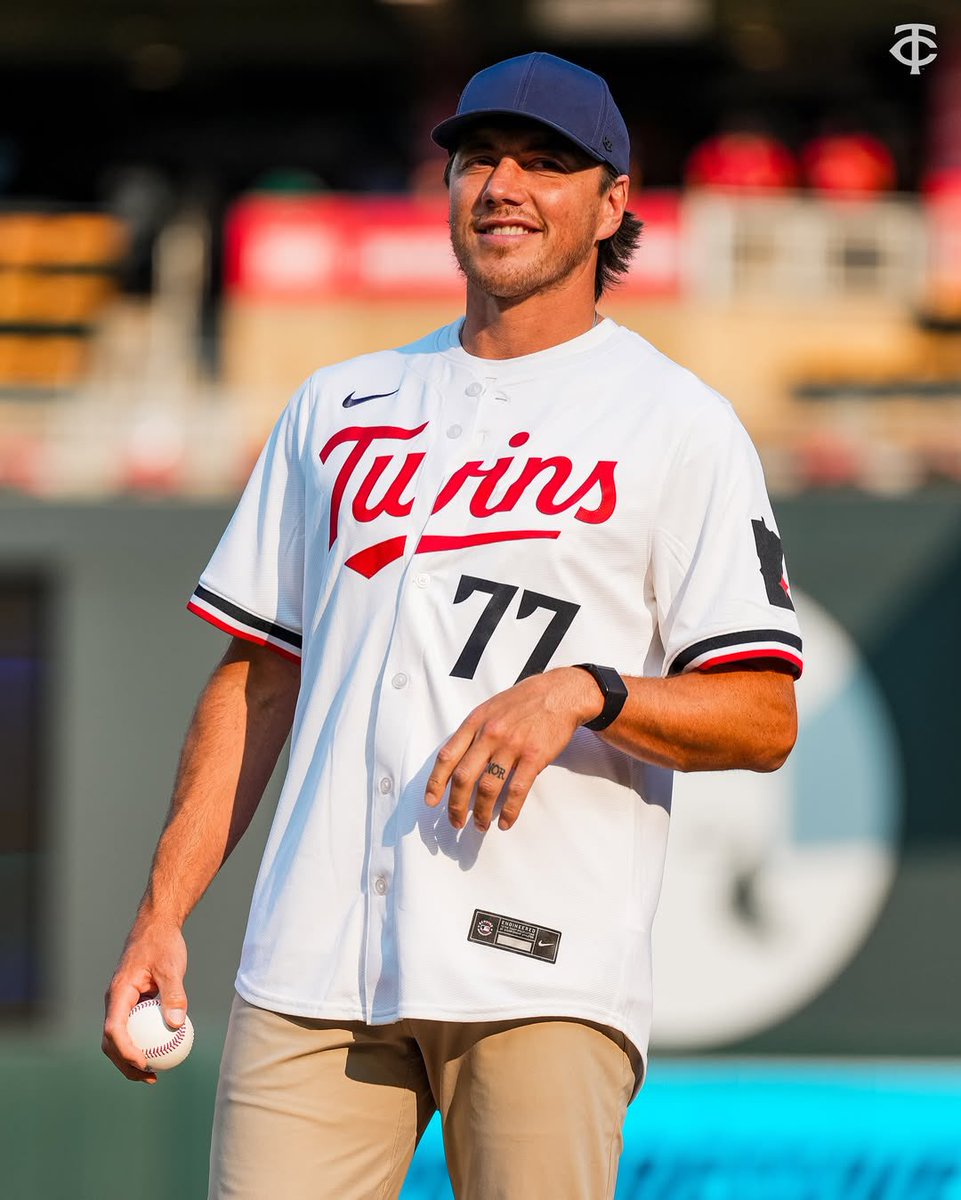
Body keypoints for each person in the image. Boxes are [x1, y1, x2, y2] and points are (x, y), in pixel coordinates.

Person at [103, 51, 802, 1200]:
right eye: (479, 158)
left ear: (614, 200)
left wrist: (591, 690)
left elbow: (763, 713)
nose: (503, 186)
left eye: (546, 163)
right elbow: (256, 679)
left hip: (541, 961)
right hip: (312, 962)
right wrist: (161, 913)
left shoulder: (679, 423)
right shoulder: (337, 404)